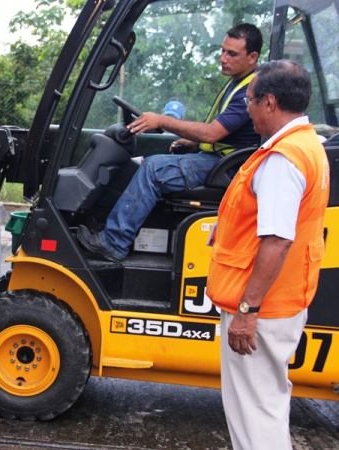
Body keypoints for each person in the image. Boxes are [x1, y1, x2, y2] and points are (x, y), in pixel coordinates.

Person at [207, 60, 329, 450]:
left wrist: (247, 310)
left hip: (264, 307)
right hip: (284, 299)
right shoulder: (308, 145)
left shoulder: (282, 160)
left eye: (250, 102)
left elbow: (277, 241)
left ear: (270, 103)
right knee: (267, 406)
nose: (249, 110)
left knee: (254, 417)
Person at [77, 23, 263, 262]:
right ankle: (109, 228)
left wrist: (161, 120)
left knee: (153, 169)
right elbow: (226, 133)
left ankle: (113, 242)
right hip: (219, 159)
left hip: (227, 167)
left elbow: (211, 134)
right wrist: (193, 143)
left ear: (253, 57)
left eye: (232, 54)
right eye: (223, 51)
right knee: (156, 164)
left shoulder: (247, 90)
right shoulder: (239, 81)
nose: (223, 58)